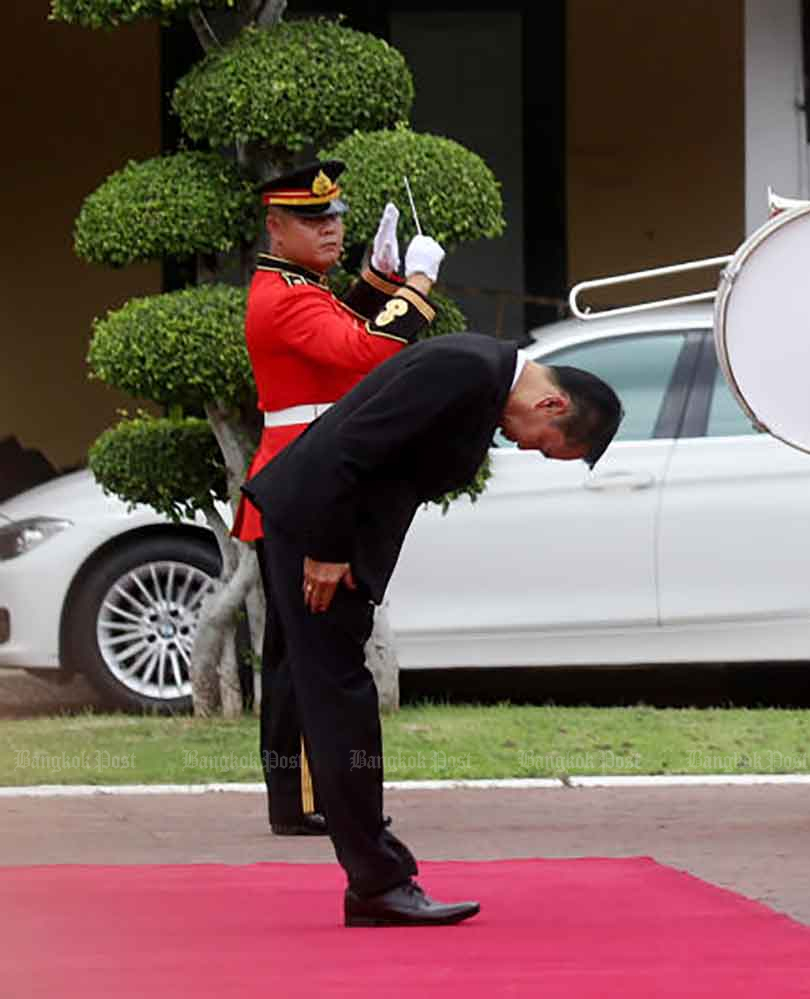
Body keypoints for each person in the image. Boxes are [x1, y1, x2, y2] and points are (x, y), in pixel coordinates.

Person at [241, 333, 623, 926]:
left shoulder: (479, 377)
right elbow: (350, 447)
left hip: (327, 540)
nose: (527, 451)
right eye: (546, 449)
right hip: (320, 541)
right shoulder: (466, 370)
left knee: (332, 696)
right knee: (340, 701)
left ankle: (375, 878)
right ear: (554, 406)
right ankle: (376, 884)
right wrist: (328, 548)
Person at [234, 160, 446, 837]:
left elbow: (337, 333)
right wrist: (417, 285)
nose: (331, 228)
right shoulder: (288, 294)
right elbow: (367, 349)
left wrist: (378, 277)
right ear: (275, 225)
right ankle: (305, 797)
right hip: (302, 489)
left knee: (297, 653)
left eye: (335, 216)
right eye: (312, 219)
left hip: (297, 482)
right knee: (310, 655)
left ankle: (297, 798)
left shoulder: (298, 285)